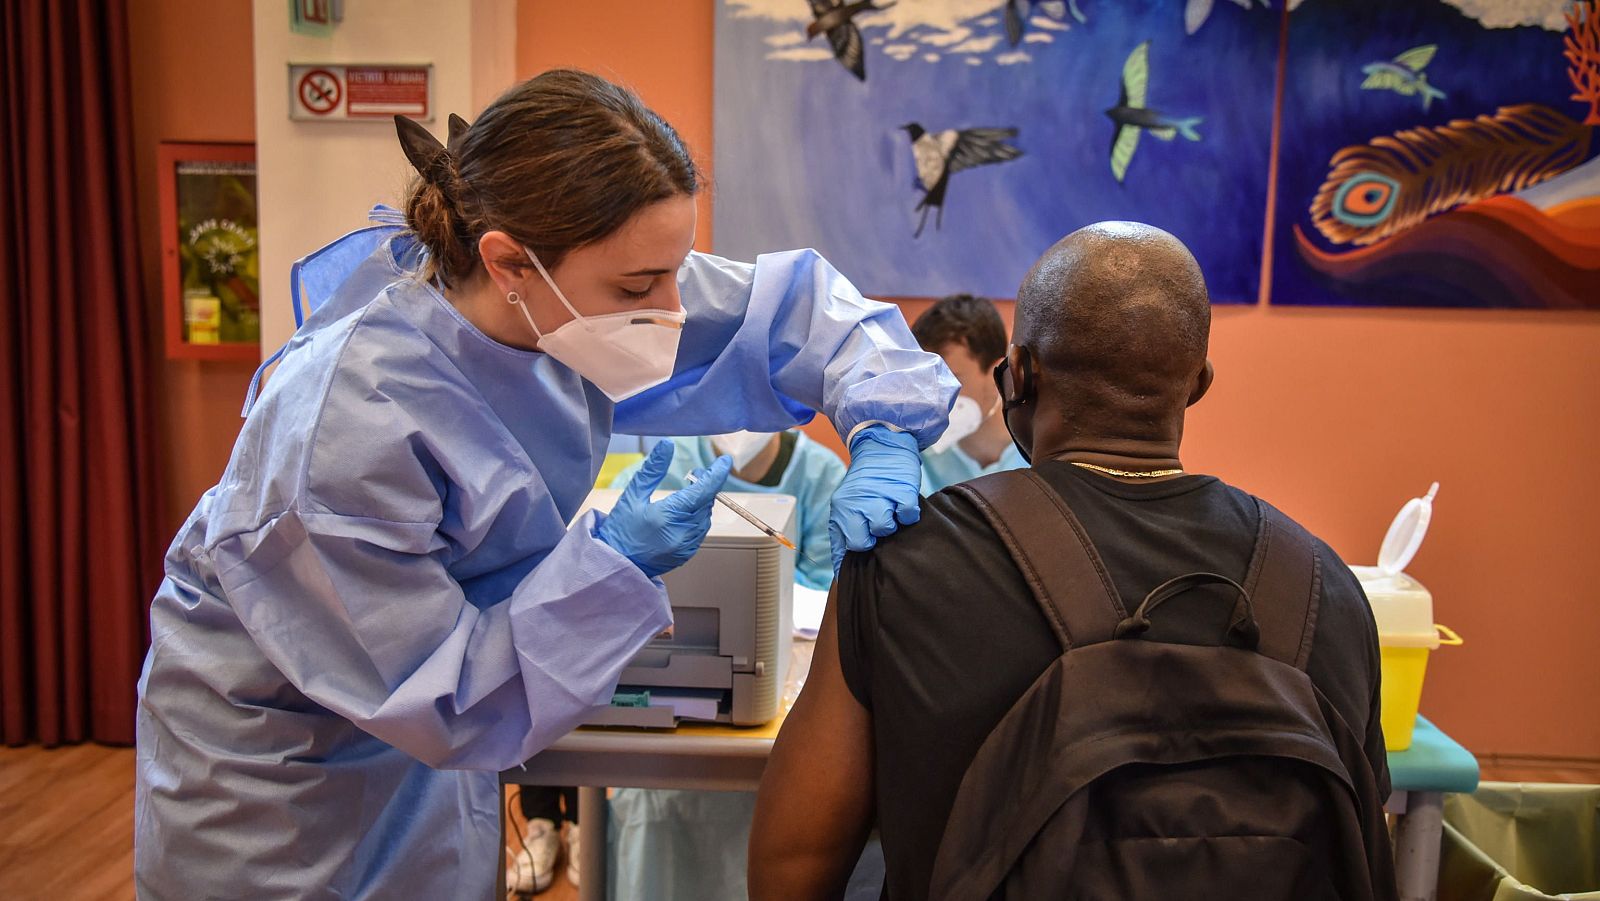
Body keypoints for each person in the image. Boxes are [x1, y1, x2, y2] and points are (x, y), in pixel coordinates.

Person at [134, 69, 956, 900]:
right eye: (641, 288)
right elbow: (444, 695)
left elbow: (803, 314)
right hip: (285, 790)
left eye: (676, 269)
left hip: (432, 753)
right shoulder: (347, 422)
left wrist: (883, 423)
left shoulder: (567, 297)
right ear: (509, 262)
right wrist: (617, 570)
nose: (673, 311)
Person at [748, 223, 1393, 899]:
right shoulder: (1327, 587)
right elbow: (1364, 850)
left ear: (1017, 374)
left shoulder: (907, 561)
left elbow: (792, 865)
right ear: (1198, 384)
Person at [505, 429, 846, 895]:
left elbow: (830, 577)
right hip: (633, 719)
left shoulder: (819, 471)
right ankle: (565, 829)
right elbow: (596, 530)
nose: (741, 424)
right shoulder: (670, 458)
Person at [910, 294, 1027, 493]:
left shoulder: (1039, 455)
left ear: (998, 376)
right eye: (924, 381)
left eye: (950, 378)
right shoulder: (918, 458)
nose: (933, 397)